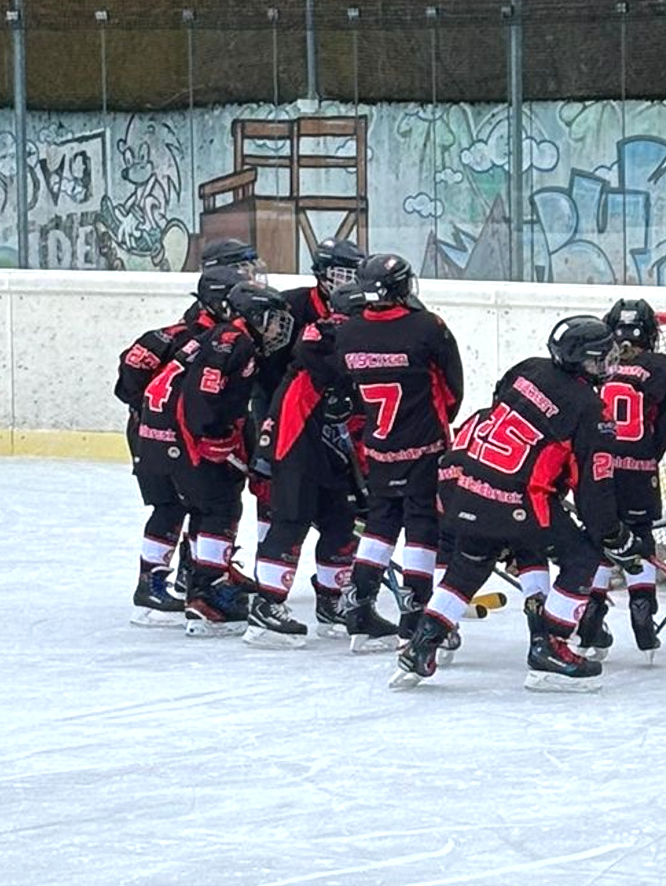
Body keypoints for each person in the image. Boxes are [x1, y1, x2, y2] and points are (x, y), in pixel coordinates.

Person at [407, 316, 644, 692]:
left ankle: (421, 643)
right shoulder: (590, 408)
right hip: (514, 497)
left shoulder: (528, 369)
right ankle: (550, 646)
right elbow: (594, 492)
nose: (607, 365)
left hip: (465, 483)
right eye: (601, 358)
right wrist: (613, 536)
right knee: (582, 558)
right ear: (583, 360)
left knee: (472, 561)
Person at [336, 253, 464, 651]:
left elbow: (349, 394)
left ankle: (357, 607)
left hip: (378, 445)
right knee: (423, 525)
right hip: (423, 444)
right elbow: (453, 388)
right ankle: (416, 615)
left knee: (381, 523)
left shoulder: (349, 332)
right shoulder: (427, 327)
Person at [167, 280, 296, 636]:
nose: (275, 328)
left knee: (213, 511)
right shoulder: (233, 343)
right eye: (271, 320)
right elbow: (203, 394)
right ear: (254, 316)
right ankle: (206, 596)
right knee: (220, 512)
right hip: (199, 445)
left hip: (196, 441)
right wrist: (211, 437)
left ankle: (203, 587)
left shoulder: (231, 339)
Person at [243, 284, 367, 648]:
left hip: (330, 455)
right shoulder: (327, 340)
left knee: (341, 524)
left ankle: (332, 602)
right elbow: (324, 359)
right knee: (289, 525)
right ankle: (266, 607)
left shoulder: (343, 342)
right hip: (297, 451)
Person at [114, 265, 221, 626]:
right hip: (163, 440)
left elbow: (127, 378)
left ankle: (172, 580)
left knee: (184, 506)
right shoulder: (204, 340)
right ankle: (155, 583)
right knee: (178, 506)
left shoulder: (169, 335)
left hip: (153, 437)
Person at [587, 297, 666, 661]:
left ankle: (592, 613)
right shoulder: (663, 368)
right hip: (640, 471)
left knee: (599, 540)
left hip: (601, 469)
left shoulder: (596, 361)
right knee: (640, 538)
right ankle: (642, 608)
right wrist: (646, 458)